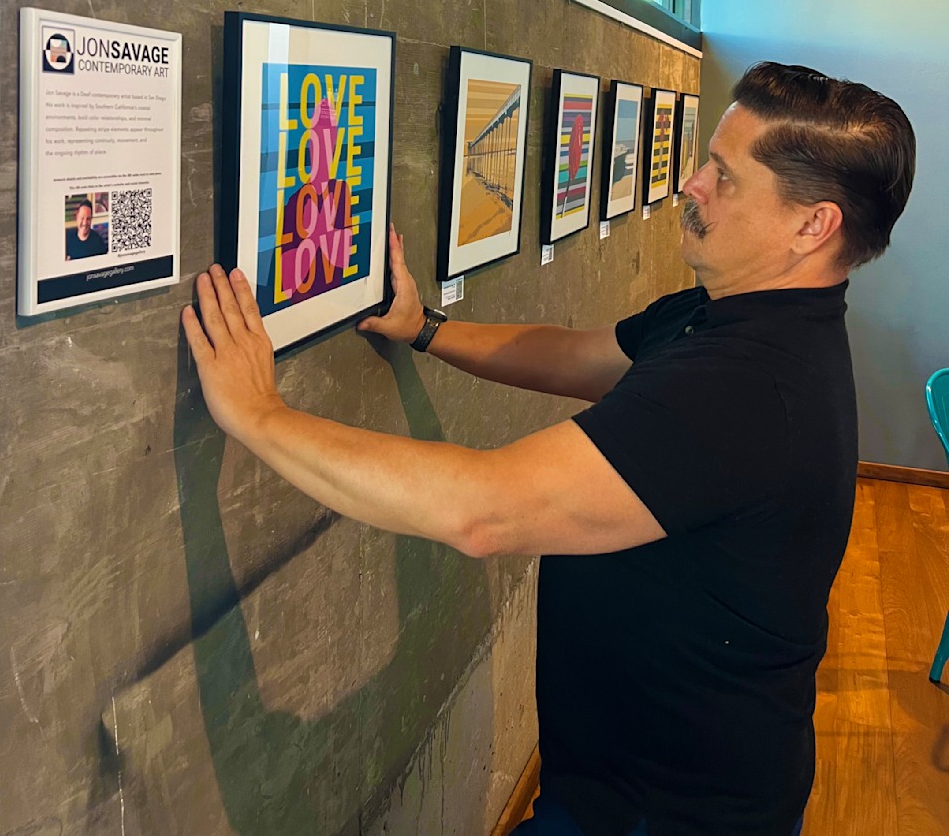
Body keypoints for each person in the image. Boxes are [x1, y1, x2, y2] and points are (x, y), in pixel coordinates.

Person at [181, 62, 915, 836]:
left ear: (813, 225)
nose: (691, 185)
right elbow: (577, 357)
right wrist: (424, 327)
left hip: (669, 812)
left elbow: (481, 512)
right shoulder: (733, 317)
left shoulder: (747, 390)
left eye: (724, 176)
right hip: (621, 782)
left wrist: (260, 415)